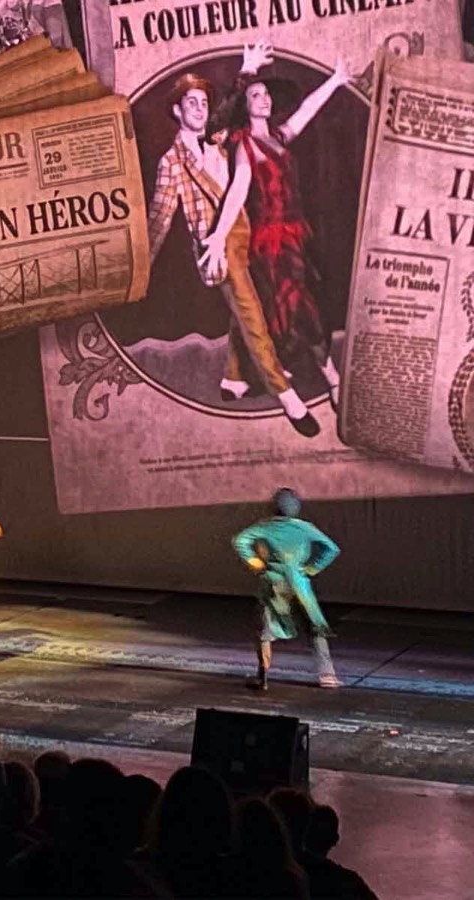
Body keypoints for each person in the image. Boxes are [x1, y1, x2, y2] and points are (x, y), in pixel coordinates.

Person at [147, 43, 320, 438]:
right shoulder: (170, 163)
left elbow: (226, 108)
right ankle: (286, 395)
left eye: (202, 102)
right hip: (217, 248)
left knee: (247, 305)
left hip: (248, 230)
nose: (199, 108)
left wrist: (246, 70)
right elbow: (158, 220)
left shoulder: (218, 137)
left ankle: (233, 378)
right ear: (176, 110)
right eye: (190, 102)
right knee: (253, 317)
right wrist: (142, 271)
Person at [201, 51, 352, 413]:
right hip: (269, 244)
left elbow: (305, 112)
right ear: (245, 106)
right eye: (255, 95)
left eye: (266, 94)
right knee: (299, 308)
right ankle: (330, 376)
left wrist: (336, 80)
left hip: (295, 236)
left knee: (284, 309)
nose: (264, 98)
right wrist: (219, 236)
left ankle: (241, 377)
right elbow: (238, 191)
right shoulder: (243, 146)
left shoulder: (280, 137)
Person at [233, 487, 342, 690]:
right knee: (315, 627)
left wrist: (255, 562)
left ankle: (263, 676)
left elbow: (240, 540)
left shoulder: (265, 526)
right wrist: (311, 568)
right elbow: (331, 548)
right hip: (299, 583)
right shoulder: (304, 528)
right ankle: (327, 675)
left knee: (265, 630)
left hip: (274, 582)